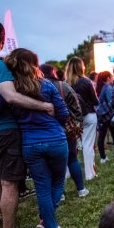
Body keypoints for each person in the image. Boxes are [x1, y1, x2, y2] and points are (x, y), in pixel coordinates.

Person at [0, 19, 54, 228]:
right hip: (5, 131)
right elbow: (10, 96)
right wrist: (44, 106)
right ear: (2, 37)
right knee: (9, 183)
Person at [39, 64, 89, 199]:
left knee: (52, 163)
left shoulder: (36, 88)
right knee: (72, 159)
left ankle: (60, 194)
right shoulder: (63, 86)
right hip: (67, 128)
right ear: (53, 72)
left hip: (46, 130)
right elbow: (77, 106)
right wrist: (76, 123)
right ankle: (81, 189)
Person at [66, 56, 98, 180]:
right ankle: (90, 174)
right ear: (81, 67)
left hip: (73, 118)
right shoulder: (86, 81)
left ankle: (68, 173)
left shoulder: (66, 83)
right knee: (88, 145)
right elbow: (95, 101)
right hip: (89, 115)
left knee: (72, 146)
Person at [96, 71, 114, 164]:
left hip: (101, 116)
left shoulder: (99, 87)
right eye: (111, 77)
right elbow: (111, 102)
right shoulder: (108, 88)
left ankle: (103, 158)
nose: (113, 78)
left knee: (101, 137)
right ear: (108, 78)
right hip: (109, 115)